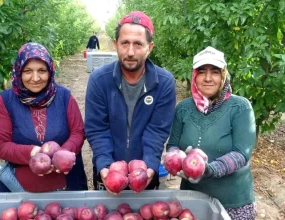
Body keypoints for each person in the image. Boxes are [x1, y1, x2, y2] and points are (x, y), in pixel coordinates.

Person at [85, 11, 176, 194]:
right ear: (115, 44)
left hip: (144, 173)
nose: (130, 52)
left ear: (150, 47)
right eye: (125, 43)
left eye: (138, 44)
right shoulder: (99, 80)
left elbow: (157, 131)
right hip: (109, 172)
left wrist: (150, 165)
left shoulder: (164, 82)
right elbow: (97, 129)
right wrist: (104, 164)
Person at [166, 46, 256, 219]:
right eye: (201, 72)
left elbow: (241, 153)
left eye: (215, 72)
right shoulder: (183, 108)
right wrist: (173, 158)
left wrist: (210, 170)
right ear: (194, 76)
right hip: (192, 200)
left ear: (223, 75)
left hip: (232, 202)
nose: (208, 78)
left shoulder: (240, 107)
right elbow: (173, 144)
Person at [0, 42, 88, 192]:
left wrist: (61, 156)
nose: (35, 78)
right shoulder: (5, 101)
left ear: (50, 71)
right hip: (21, 189)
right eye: (28, 71)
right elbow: (1, 145)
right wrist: (33, 152)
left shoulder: (63, 96)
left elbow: (78, 132)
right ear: (18, 72)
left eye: (42, 70)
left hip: (67, 184)